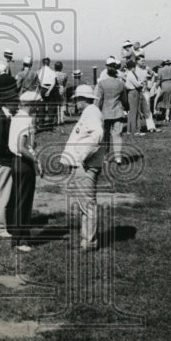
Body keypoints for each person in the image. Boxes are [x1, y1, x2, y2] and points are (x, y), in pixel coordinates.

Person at [59, 84, 104, 251]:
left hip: (85, 165)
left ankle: (89, 241)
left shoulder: (91, 112)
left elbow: (97, 134)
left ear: (83, 99)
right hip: (83, 164)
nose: (75, 103)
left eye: (77, 100)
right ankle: (87, 239)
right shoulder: (90, 112)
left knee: (87, 204)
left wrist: (83, 156)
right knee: (84, 204)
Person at [8, 91, 43, 252]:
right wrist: (35, 160)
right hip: (24, 163)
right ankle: (21, 239)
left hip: (16, 162)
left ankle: (18, 236)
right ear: (31, 104)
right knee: (24, 202)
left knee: (18, 200)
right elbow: (22, 146)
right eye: (37, 104)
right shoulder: (26, 120)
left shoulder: (16, 117)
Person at [0, 89, 17, 238]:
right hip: (3, 161)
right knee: (2, 194)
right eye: (15, 102)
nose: (18, 104)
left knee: (9, 193)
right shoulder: (0, 117)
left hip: (8, 160)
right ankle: (0, 227)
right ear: (8, 102)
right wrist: (13, 152)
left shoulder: (8, 115)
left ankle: (6, 224)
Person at [95, 57, 126, 164]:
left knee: (105, 135)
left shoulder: (102, 83)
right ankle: (118, 157)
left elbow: (99, 99)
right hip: (118, 111)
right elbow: (124, 99)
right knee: (117, 135)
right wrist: (126, 108)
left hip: (105, 112)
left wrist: (95, 111)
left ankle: (105, 157)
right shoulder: (121, 84)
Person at [122, 59, 143, 135]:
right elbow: (137, 84)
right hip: (134, 92)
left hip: (131, 92)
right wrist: (141, 83)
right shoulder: (131, 74)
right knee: (134, 111)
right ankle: (134, 130)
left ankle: (130, 129)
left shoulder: (129, 74)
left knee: (132, 111)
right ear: (133, 67)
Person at [38, 57, 58, 131]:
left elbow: (39, 82)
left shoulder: (39, 71)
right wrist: (49, 91)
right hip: (50, 88)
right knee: (51, 107)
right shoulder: (52, 72)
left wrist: (44, 88)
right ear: (49, 63)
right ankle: (50, 123)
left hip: (42, 89)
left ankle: (41, 123)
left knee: (41, 107)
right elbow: (54, 82)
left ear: (43, 63)